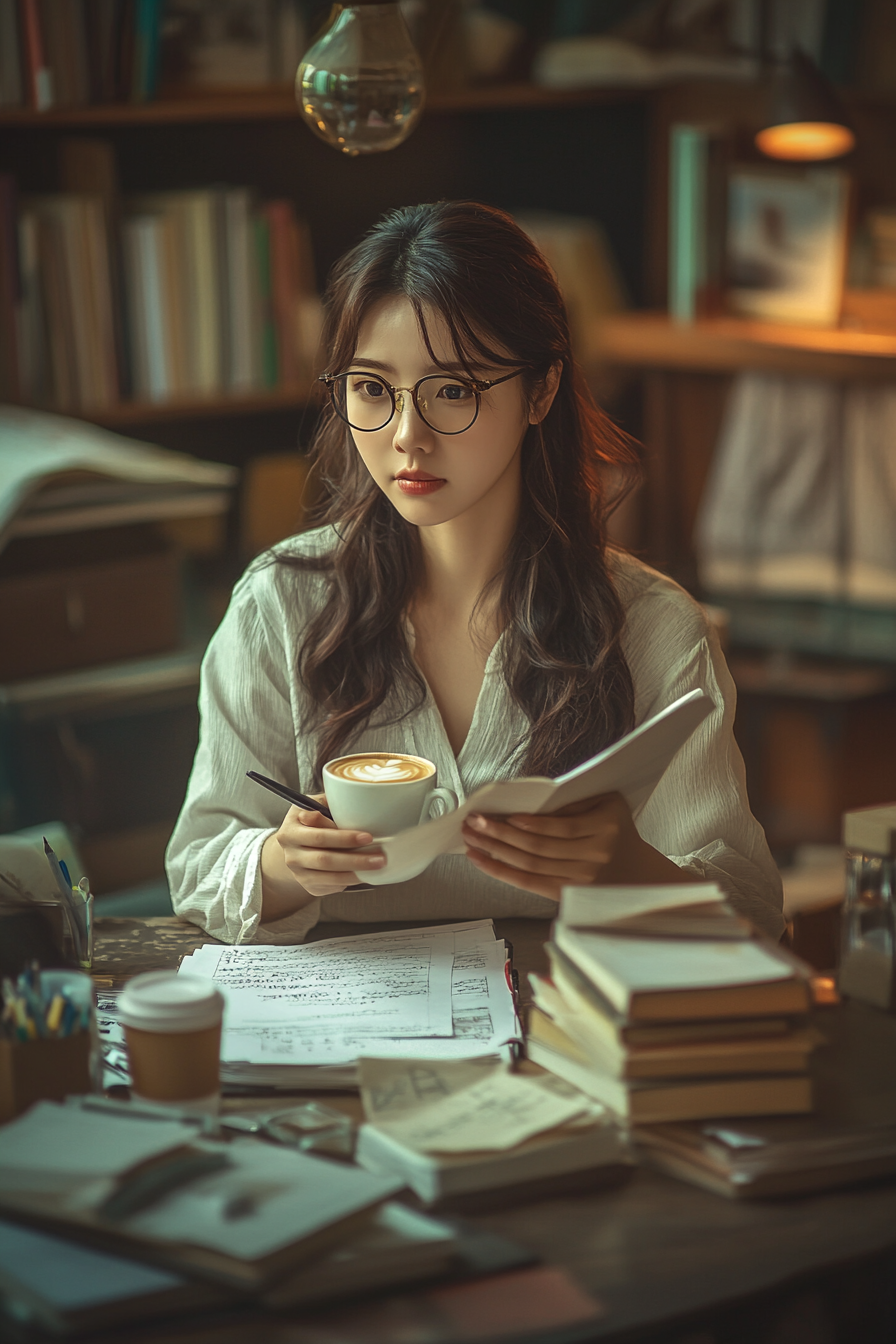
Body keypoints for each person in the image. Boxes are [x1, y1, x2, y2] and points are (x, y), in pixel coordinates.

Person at [166, 200, 784, 945]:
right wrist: (281, 862)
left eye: (452, 390)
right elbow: (199, 865)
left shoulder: (655, 628)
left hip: (567, 1029)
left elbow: (753, 912)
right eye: (371, 389)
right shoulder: (282, 602)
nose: (406, 436)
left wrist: (629, 866)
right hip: (340, 1028)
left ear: (542, 390)